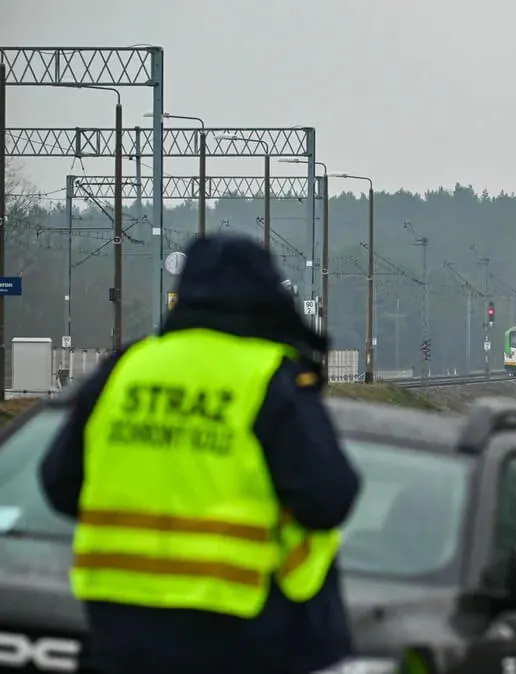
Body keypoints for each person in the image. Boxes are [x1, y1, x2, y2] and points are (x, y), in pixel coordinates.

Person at [38, 233, 362, 674]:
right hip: (233, 626)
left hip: (119, 622)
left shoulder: (126, 369)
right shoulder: (268, 376)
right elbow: (328, 497)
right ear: (266, 294)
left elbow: (59, 483)